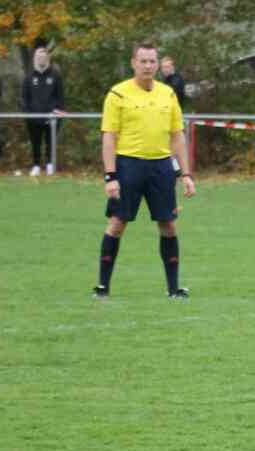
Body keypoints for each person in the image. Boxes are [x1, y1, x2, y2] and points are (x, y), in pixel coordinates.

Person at [94, 41, 195, 300]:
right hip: (128, 165)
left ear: (158, 64)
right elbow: (109, 137)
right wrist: (110, 175)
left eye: (152, 61)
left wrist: (186, 174)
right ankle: (103, 287)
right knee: (117, 224)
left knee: (169, 225)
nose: (148, 66)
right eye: (143, 61)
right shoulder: (117, 94)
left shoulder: (168, 94)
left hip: (161, 167)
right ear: (133, 63)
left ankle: (174, 289)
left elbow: (177, 136)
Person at [22, 46, 65, 176]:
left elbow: (60, 97)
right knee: (35, 142)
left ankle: (50, 165)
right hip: (33, 118)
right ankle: (36, 165)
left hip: (51, 117)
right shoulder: (29, 77)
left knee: (50, 142)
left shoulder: (55, 76)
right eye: (39, 57)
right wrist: (28, 113)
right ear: (35, 59)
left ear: (48, 59)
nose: (42, 59)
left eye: (44, 57)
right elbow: (25, 98)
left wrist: (57, 112)